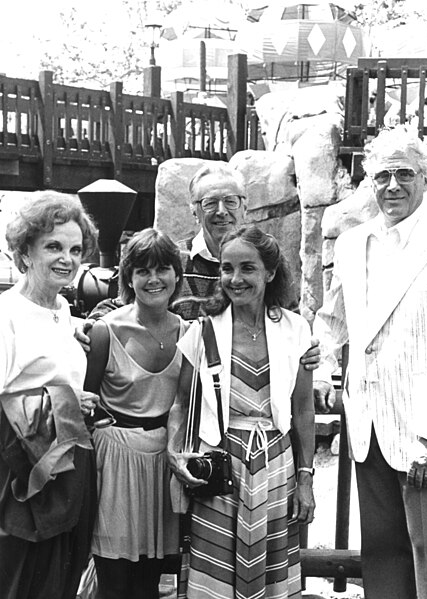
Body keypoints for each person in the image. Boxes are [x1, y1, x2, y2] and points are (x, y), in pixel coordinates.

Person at [313, 124, 427, 599]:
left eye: (405, 173)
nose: (392, 185)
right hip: (368, 424)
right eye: (382, 175)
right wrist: (318, 359)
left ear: (426, 179)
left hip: (426, 433)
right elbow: (333, 319)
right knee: (384, 556)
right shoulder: (352, 243)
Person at [168, 224, 316, 599]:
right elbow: (181, 403)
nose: (235, 278)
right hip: (221, 462)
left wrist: (305, 478)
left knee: (270, 575)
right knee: (215, 574)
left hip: (276, 463)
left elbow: (302, 410)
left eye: (247, 268)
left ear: (269, 272)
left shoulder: (295, 329)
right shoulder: (202, 331)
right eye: (227, 268)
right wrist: (174, 453)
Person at [76, 162, 320, 369]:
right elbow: (123, 302)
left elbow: (290, 320)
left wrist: (310, 357)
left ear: (245, 207)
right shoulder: (174, 259)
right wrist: (93, 325)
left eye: (230, 201)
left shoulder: (263, 261)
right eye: (210, 203)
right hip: (182, 392)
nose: (221, 211)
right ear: (194, 211)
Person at [0, 191, 99, 599]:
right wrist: (66, 401)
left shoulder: (62, 311)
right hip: (21, 474)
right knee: (20, 580)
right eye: (53, 246)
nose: (67, 258)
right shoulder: (6, 315)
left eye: (76, 249)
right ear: (24, 252)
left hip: (69, 467)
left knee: (62, 580)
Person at [83, 228, 190, 599]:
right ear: (129, 277)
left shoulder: (190, 333)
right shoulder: (104, 332)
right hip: (115, 463)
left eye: (162, 269)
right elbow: (85, 404)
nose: (153, 279)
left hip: (164, 463)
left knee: (151, 581)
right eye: (142, 270)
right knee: (114, 580)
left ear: (177, 275)